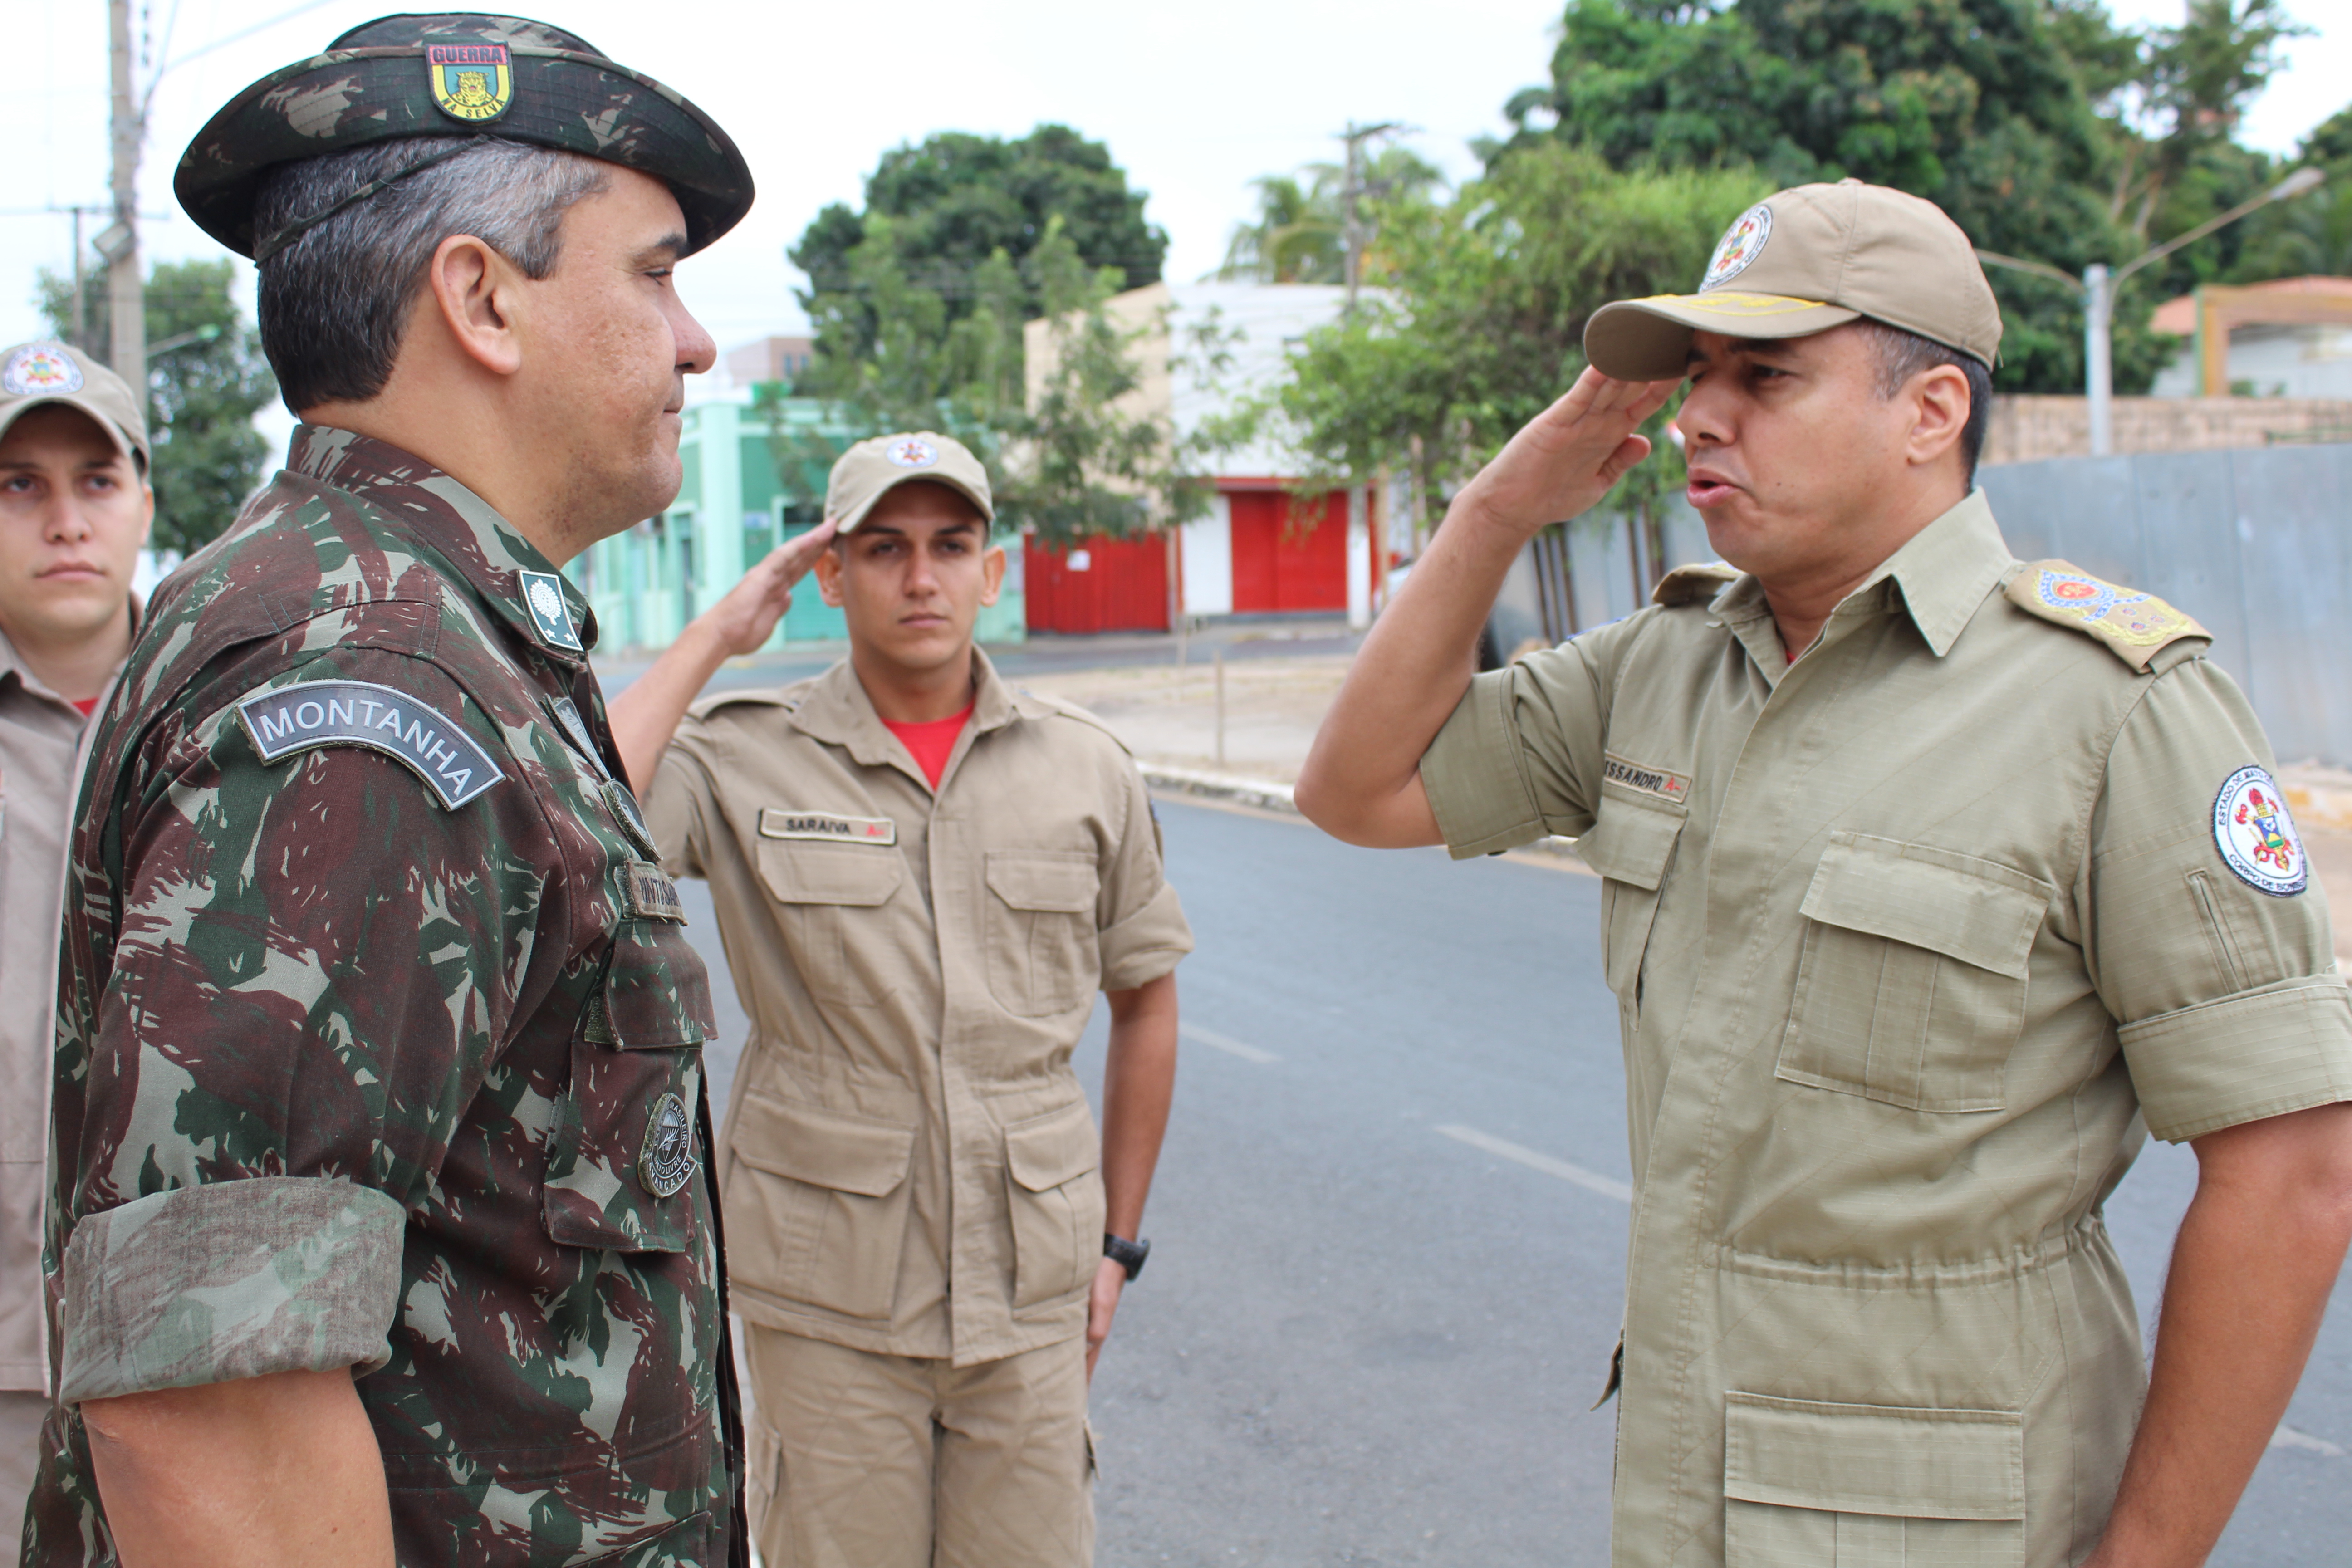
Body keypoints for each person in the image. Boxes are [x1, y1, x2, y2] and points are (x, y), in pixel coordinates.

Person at [1295, 178, 2352, 1567]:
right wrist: (1500, 507)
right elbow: (1355, 789)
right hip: (1690, 1485)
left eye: (1766, 375)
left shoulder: (2114, 704)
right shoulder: (1664, 667)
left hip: (1967, 1517)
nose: (1697, 417)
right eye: (1697, 376)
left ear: (1931, 413)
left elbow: (2292, 1169)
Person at [23, 14, 774, 1566]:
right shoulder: (366, 686)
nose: (694, 338)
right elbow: (213, 1394)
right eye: (653, 270)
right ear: (482, 298)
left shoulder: (411, 620)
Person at [608, 431, 1192, 1568]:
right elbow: (574, 805)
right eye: (883, 549)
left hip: (1031, 1285)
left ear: (994, 570)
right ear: (828, 575)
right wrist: (716, 639)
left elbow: (1148, 999)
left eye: (949, 545)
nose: (921, 579)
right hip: (828, 1292)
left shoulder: (1087, 769)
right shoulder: (744, 757)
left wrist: (1119, 1243)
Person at [0, 341, 151, 1537]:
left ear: (145, 500)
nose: (64, 521)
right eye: (19, 486)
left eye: (95, 482)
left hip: (203, 1327)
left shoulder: (230, 706)